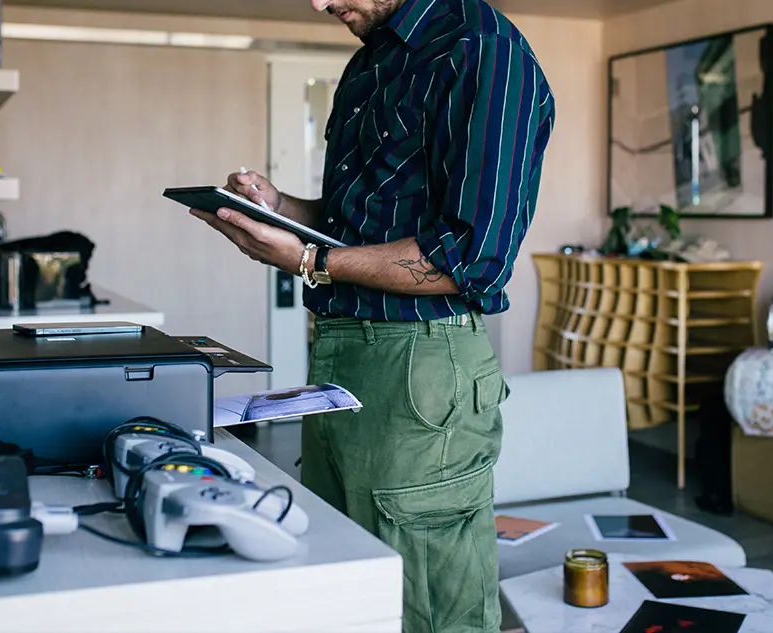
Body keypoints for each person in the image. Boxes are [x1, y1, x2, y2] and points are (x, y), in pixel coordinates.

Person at [191, 0, 555, 630]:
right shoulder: (371, 62)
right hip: (339, 352)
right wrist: (281, 209)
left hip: (421, 363)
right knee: (347, 586)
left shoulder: (482, 48)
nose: (319, 3)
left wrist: (309, 260)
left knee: (431, 612)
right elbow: (353, 227)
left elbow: (472, 259)